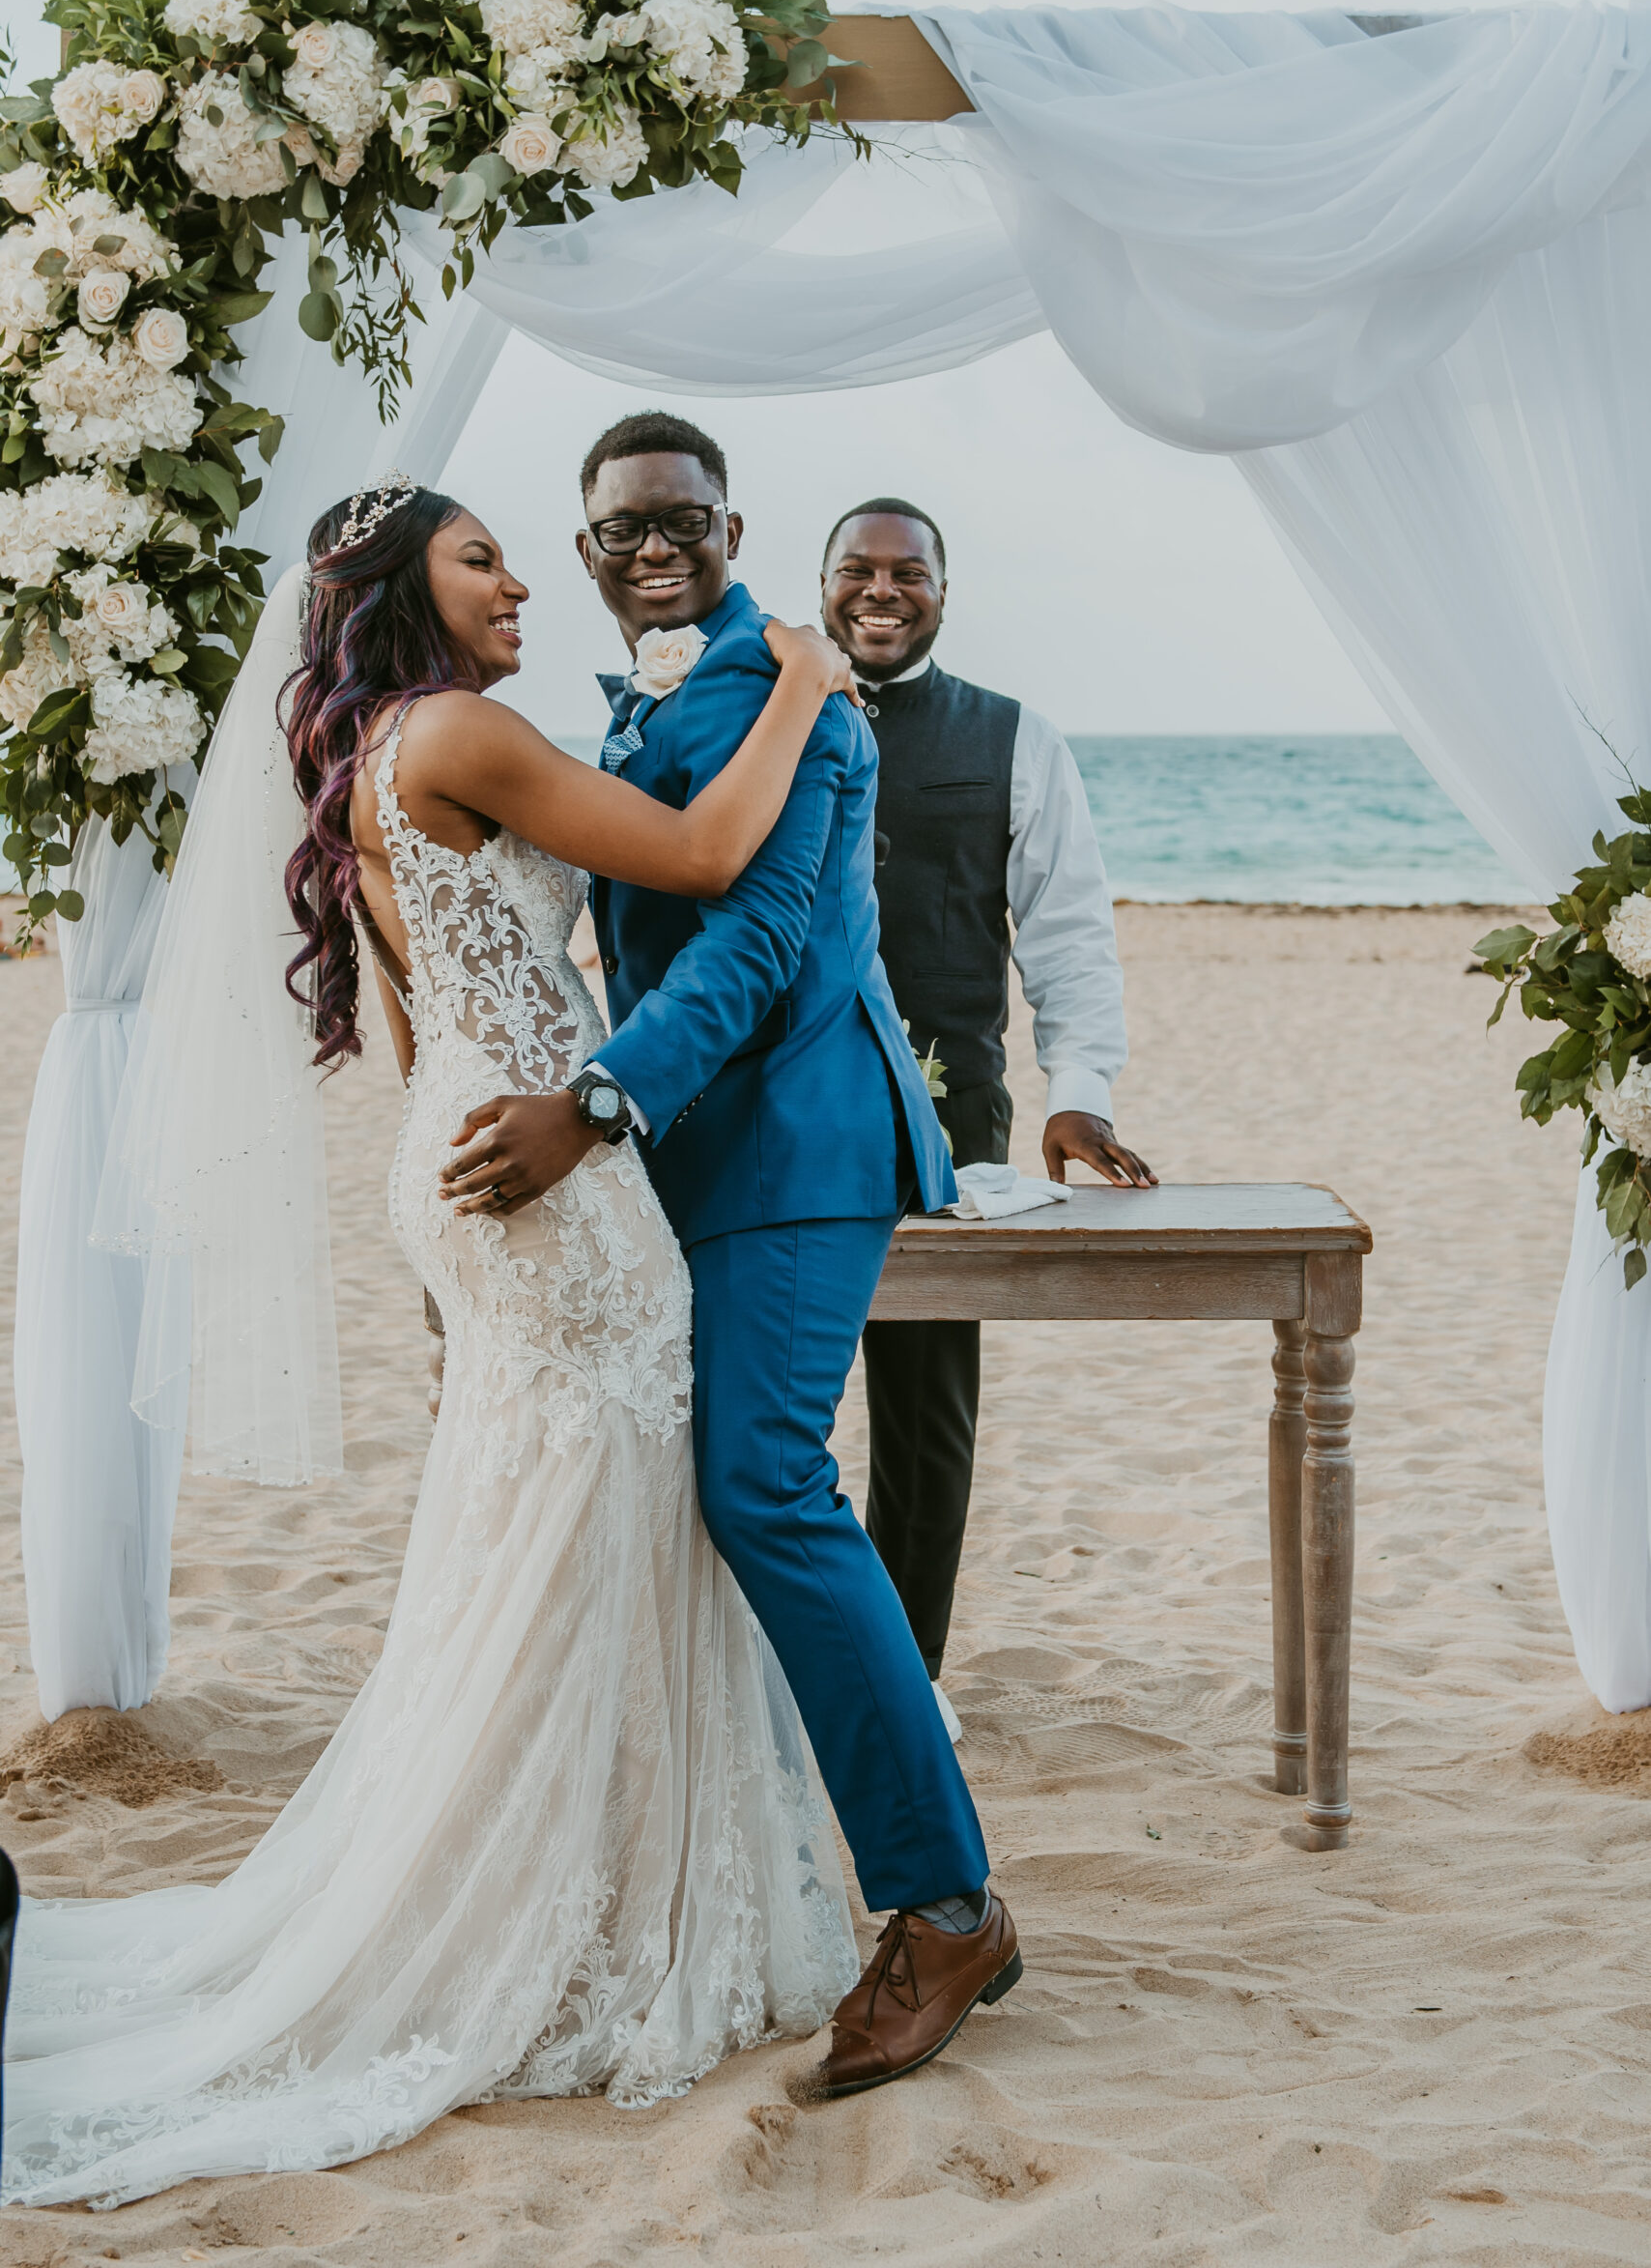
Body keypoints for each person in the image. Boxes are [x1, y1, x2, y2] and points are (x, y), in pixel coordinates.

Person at [2, 480, 870, 2207]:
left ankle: (556, 1872)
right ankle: (566, 1914)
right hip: (546, 1158)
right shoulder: (457, 730)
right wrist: (803, 684)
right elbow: (701, 859)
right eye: (482, 560)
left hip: (459, 1145)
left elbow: (409, 1024)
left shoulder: (363, 766)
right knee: (593, 1524)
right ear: (405, 586)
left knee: (531, 1528)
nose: (517, 587)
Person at [437, 413, 1022, 2101]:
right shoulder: (657, 700)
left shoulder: (805, 694)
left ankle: (940, 1903)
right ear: (586, 548)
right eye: (618, 527)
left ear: (729, 521)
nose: (651, 546)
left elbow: (767, 938)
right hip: (701, 1159)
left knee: (764, 1487)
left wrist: (598, 1098)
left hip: (799, 1139)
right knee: (719, 1492)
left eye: (679, 518)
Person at [820, 498, 1154, 1723]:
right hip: (775, 1120)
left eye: (908, 572)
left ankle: (906, 1683)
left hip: (950, 1117)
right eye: (855, 568)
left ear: (942, 595)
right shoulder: (760, 718)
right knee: (770, 1411)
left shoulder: (1017, 738)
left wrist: (1079, 1095)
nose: (881, 589)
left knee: (925, 1408)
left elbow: (1067, 929)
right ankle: (795, 1654)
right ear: (820, 586)